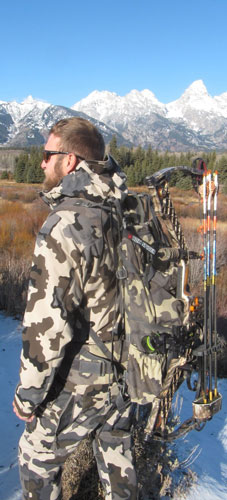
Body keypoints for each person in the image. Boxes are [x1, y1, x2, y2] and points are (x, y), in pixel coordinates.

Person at [13, 117, 138, 500]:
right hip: (128, 372)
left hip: (82, 381)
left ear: (69, 161)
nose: (41, 163)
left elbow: (46, 330)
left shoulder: (65, 224)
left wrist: (28, 396)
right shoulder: (124, 208)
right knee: (118, 463)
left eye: (47, 154)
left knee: (34, 462)